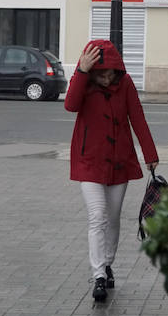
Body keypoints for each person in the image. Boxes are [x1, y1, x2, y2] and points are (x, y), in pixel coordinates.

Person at [65, 38, 159, 302]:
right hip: (89, 162)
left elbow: (137, 117)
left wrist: (150, 154)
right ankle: (98, 276)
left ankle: (107, 263)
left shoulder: (125, 84)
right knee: (98, 217)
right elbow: (70, 105)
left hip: (119, 160)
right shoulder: (82, 80)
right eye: (101, 75)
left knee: (114, 218)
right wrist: (82, 71)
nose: (106, 80)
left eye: (109, 75)